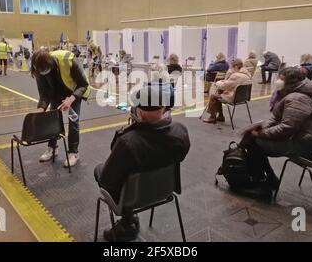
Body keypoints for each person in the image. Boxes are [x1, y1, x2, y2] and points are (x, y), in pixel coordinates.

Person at [94, 84, 190, 242]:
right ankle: (128, 222)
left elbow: (108, 180)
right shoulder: (181, 131)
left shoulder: (128, 141)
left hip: (132, 197)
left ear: (138, 111)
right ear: (164, 107)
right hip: (164, 190)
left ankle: (127, 223)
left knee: (99, 170)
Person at [240, 67, 312, 192]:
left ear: (291, 81)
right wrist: (262, 129)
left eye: (281, 78)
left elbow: (287, 127)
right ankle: (269, 178)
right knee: (254, 139)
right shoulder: (295, 94)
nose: (278, 81)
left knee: (255, 144)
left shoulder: (296, 98)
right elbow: (277, 118)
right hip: (306, 140)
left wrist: (261, 133)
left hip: (304, 146)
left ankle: (262, 183)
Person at [31, 49, 90, 167]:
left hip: (74, 92)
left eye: (46, 70)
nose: (44, 73)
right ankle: (52, 148)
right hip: (56, 93)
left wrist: (71, 99)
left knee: (73, 121)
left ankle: (74, 153)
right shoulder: (39, 70)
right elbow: (44, 93)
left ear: (51, 63)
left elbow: (83, 84)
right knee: (52, 120)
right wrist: (41, 108)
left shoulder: (68, 59)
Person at [203, 59, 252, 124]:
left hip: (234, 98)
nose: (231, 69)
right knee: (219, 94)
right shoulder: (248, 75)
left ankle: (212, 117)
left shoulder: (236, 75)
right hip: (243, 98)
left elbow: (224, 86)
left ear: (236, 66)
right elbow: (232, 83)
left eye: (232, 67)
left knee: (214, 96)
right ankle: (220, 116)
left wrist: (218, 82)